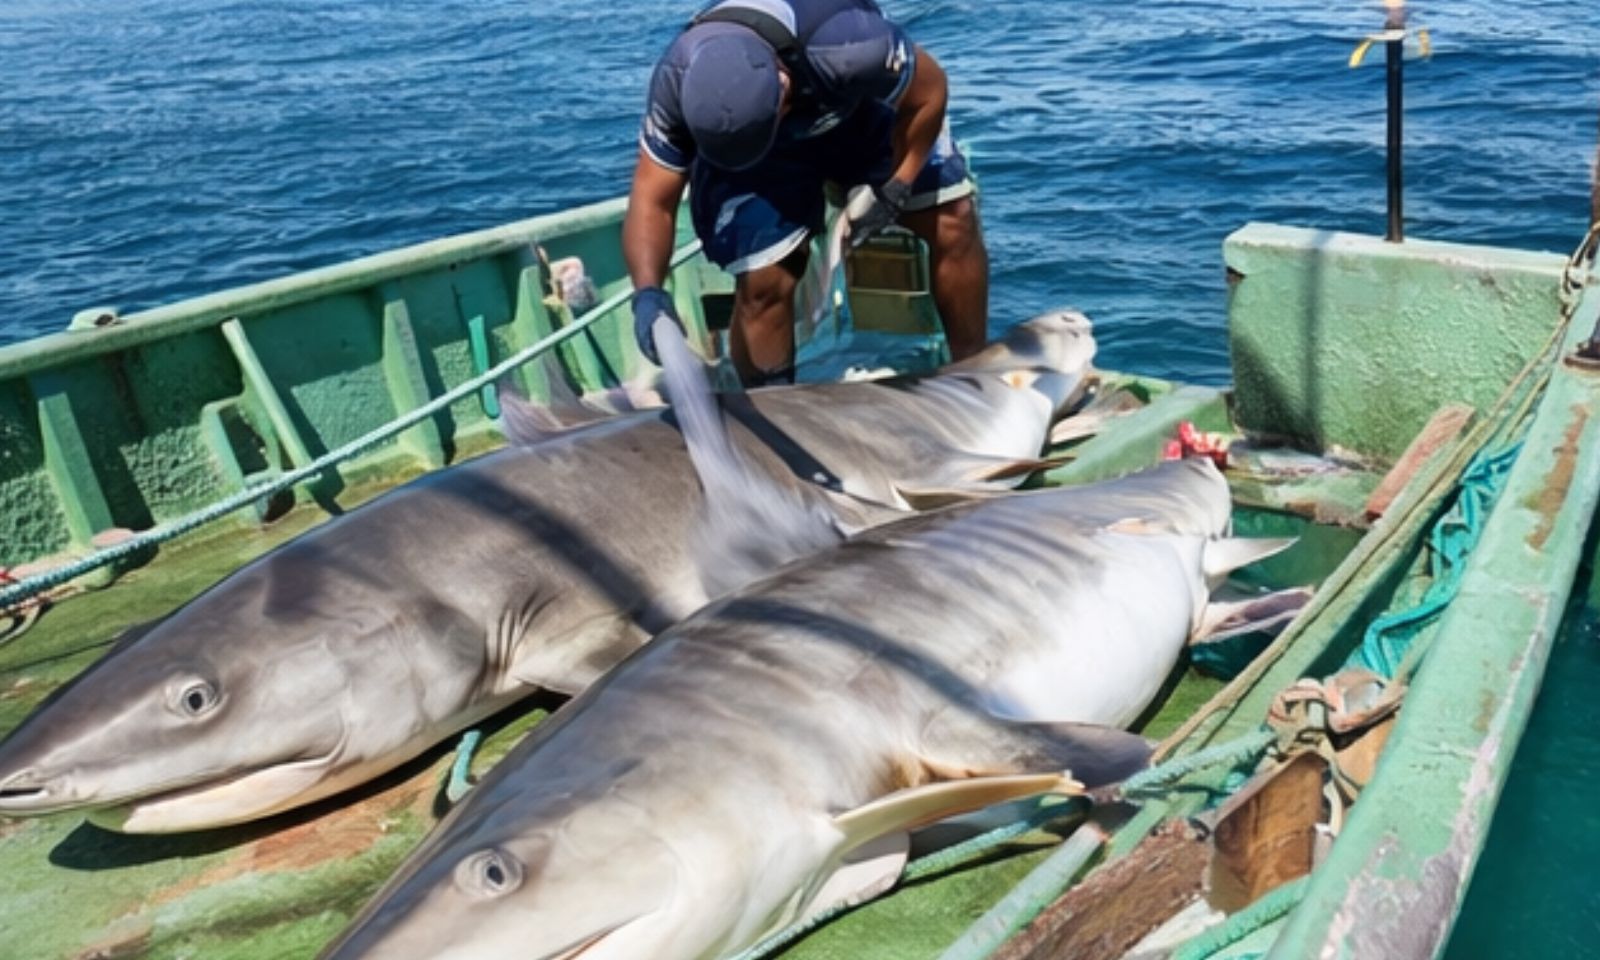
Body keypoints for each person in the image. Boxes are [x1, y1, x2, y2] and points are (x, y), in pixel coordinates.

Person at [623, 0, 989, 386]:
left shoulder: (849, 46)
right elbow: (652, 198)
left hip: (851, 109)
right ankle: (771, 405)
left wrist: (898, 186)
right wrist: (647, 291)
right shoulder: (675, 79)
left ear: (782, 85)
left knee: (954, 219)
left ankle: (973, 372)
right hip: (753, 154)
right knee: (765, 284)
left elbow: (930, 92)